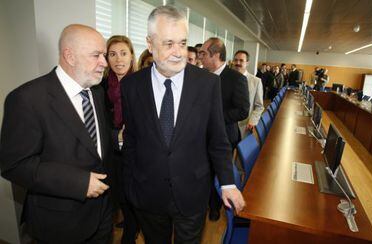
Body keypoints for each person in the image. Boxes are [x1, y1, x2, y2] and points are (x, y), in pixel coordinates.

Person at [121, 6, 245, 243]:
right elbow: (132, 141)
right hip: (148, 194)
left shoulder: (207, 84)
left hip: (192, 191)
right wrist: (130, 187)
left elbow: (218, 140)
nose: (178, 52)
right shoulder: (132, 86)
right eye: (168, 43)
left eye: (182, 42)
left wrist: (228, 183)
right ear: (150, 44)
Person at [0, 24, 113, 243]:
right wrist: (78, 182)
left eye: (104, 55)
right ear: (69, 56)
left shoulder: (97, 92)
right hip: (59, 224)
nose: (104, 63)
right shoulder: (27, 99)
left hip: (102, 216)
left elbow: (95, 148)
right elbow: (14, 165)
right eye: (96, 55)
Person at [199, 37, 249, 221]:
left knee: (219, 171)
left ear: (216, 55)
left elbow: (243, 110)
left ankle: (214, 207)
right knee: (204, 171)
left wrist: (215, 119)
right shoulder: (201, 76)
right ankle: (202, 203)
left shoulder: (236, 79)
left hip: (225, 136)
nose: (200, 58)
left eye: (203, 54)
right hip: (201, 136)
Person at [101, 35, 139, 244]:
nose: (118, 60)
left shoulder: (142, 83)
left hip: (137, 151)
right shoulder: (102, 84)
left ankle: (130, 234)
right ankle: (130, 222)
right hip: (113, 149)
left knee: (132, 194)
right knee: (119, 193)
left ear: (132, 56)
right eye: (112, 54)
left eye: (123, 53)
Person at [233, 50, 264, 139]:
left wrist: (252, 121)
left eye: (241, 60)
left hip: (245, 126)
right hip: (228, 126)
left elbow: (259, 106)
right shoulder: (227, 78)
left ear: (247, 63)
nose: (238, 63)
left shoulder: (256, 81)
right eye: (235, 60)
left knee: (241, 152)